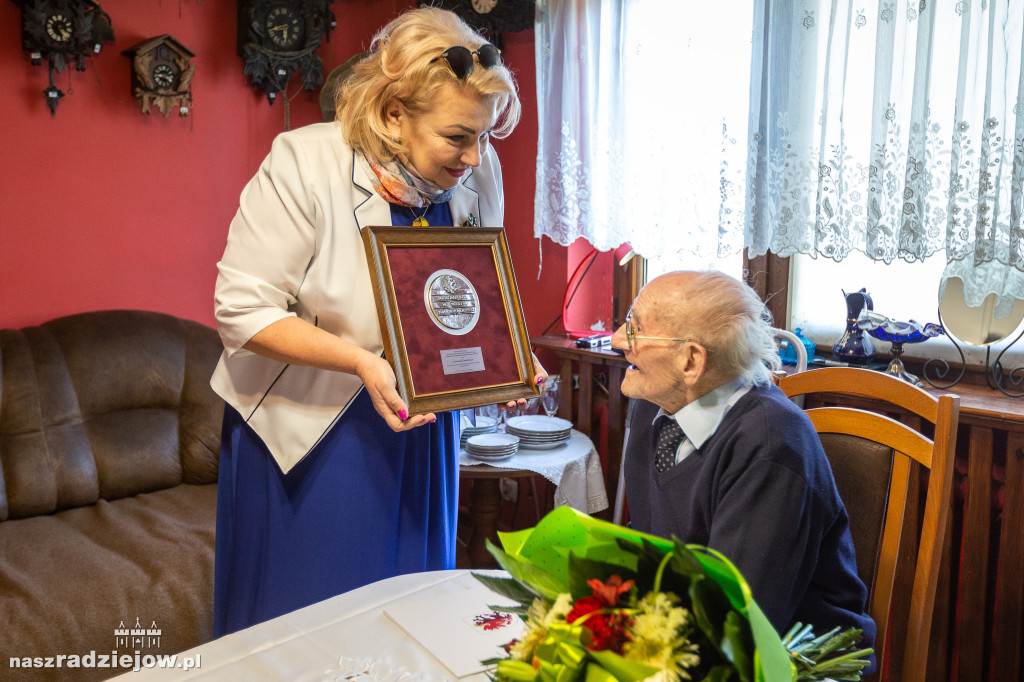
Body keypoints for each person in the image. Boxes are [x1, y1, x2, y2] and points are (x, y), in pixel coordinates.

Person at [210, 7, 540, 636]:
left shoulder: (476, 170)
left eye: (486, 136)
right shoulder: (303, 162)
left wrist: (508, 351)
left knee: (413, 613)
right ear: (394, 115)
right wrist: (361, 361)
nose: (475, 157)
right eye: (457, 137)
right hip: (314, 428)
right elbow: (242, 311)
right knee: (315, 624)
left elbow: (475, 287)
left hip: (420, 421)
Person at [612, 271, 876, 665]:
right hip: (684, 637)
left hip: (791, 659)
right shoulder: (655, 404)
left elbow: (739, 624)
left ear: (691, 361)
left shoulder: (771, 443)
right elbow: (653, 544)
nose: (617, 340)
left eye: (634, 330)